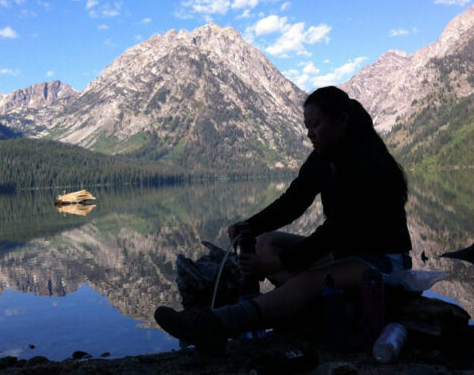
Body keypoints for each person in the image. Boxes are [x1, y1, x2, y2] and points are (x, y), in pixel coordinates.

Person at [154, 86, 412, 352]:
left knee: (305, 280)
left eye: (316, 125)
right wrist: (250, 226)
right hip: (345, 254)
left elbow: (336, 231)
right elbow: (293, 202)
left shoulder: (370, 165)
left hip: (384, 262)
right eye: (307, 126)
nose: (310, 133)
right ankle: (299, 302)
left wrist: (278, 264)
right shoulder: (322, 158)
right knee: (267, 242)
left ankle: (215, 324)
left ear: (341, 121)